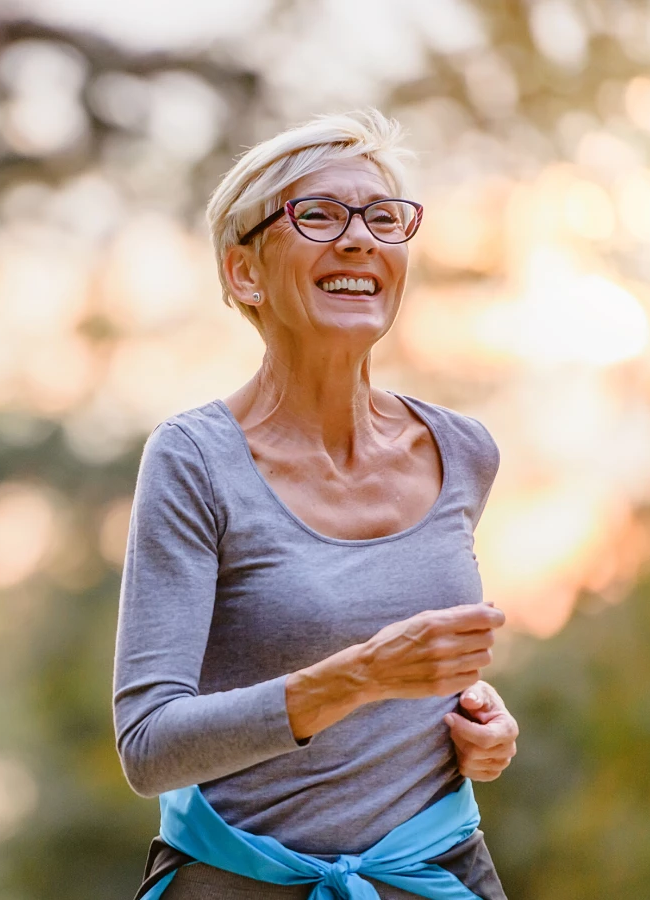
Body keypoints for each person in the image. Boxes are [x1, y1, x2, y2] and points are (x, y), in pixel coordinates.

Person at [112, 110, 519, 900]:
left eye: (383, 217)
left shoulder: (464, 451)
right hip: (243, 883)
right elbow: (149, 746)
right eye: (320, 215)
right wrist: (362, 676)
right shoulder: (194, 460)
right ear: (245, 273)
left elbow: (424, 669)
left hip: (437, 877)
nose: (360, 239)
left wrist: (481, 722)